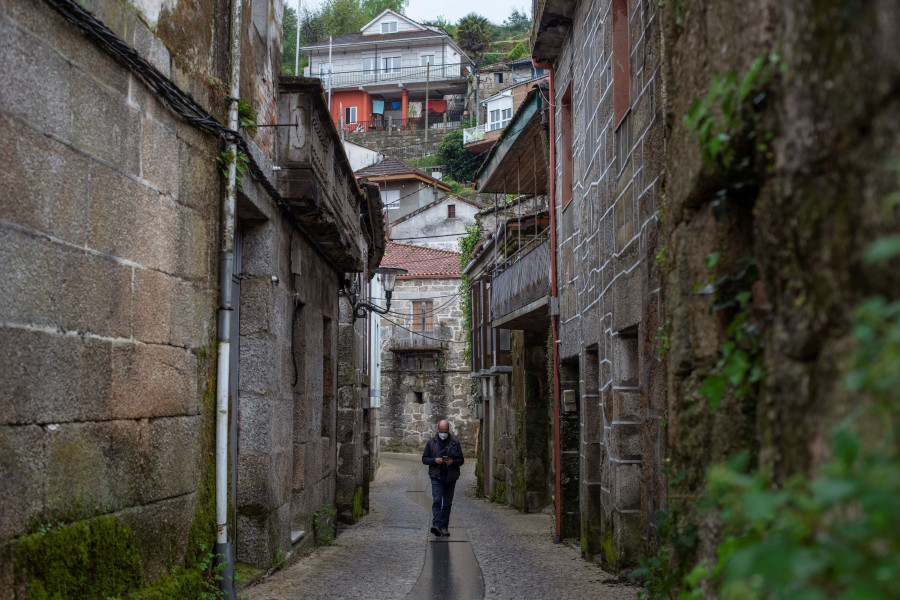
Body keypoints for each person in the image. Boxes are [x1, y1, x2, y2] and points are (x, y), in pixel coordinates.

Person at [422, 420, 464, 537]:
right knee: (436, 501)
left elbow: (461, 460)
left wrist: (452, 462)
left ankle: (444, 527)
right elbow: (424, 459)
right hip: (436, 476)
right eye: (441, 431)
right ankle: (436, 525)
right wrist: (434, 460)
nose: (443, 433)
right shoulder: (431, 442)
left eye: (445, 431)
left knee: (447, 503)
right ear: (438, 430)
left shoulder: (455, 443)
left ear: (448, 430)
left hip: (451, 477)